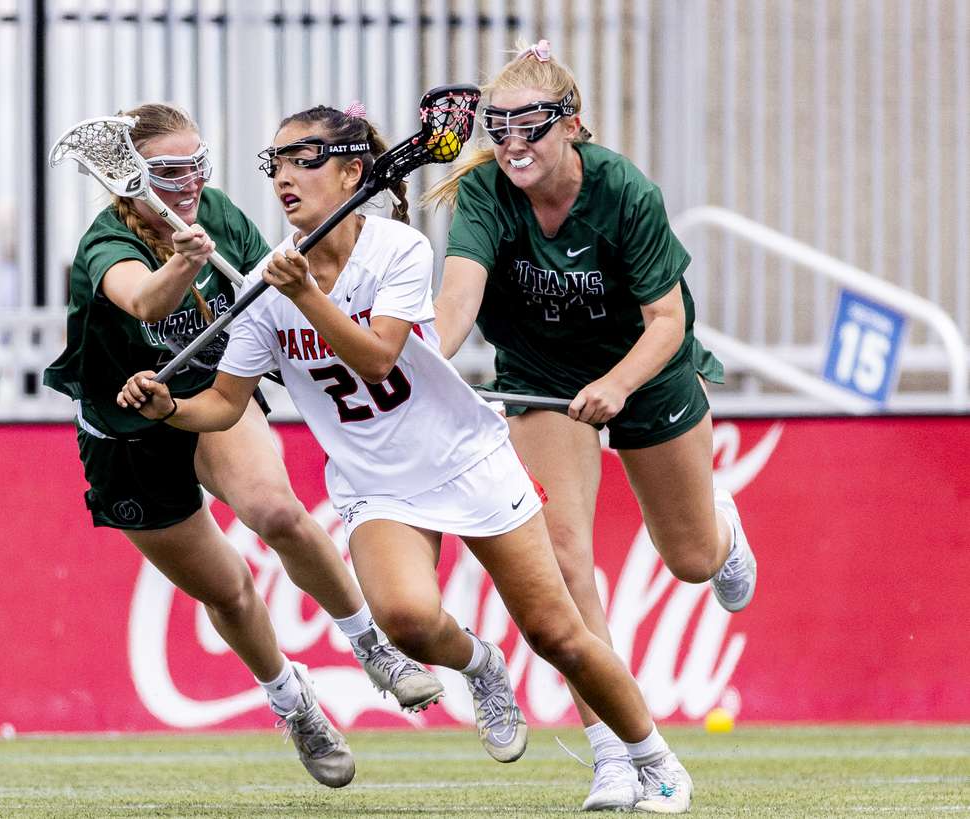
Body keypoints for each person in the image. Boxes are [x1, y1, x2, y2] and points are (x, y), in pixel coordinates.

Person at [118, 102, 695, 813]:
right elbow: (227, 405)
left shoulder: (396, 248)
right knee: (406, 622)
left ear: (354, 171)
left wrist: (306, 295)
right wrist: (169, 406)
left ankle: (654, 759)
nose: (285, 178)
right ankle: (481, 665)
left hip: (463, 458)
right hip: (376, 483)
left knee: (558, 634)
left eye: (305, 159)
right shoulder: (269, 285)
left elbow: (376, 355)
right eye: (277, 163)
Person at [43, 103, 445, 788]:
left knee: (278, 512)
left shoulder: (218, 213)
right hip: (129, 436)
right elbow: (141, 300)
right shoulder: (106, 245)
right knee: (228, 587)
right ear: (133, 178)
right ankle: (294, 701)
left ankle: (373, 646)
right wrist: (184, 264)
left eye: (197, 163)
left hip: (208, 398)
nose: (190, 182)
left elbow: (273, 294)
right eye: (169, 171)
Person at [423, 39, 757, 810]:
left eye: (529, 127)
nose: (510, 146)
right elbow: (458, 303)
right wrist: (411, 361)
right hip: (540, 378)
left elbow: (667, 320)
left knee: (691, 559)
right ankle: (614, 755)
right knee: (565, 560)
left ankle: (722, 529)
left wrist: (616, 382)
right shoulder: (484, 194)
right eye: (496, 128)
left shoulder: (625, 191)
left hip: (643, 367)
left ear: (572, 125)